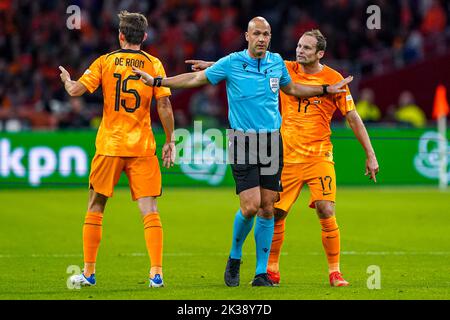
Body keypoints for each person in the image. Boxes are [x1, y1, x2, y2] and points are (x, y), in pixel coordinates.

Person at [133, 17, 352, 287]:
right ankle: (235, 256)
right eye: (257, 33)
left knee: (268, 208)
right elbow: (195, 79)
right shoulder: (232, 62)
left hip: (272, 142)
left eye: (267, 34)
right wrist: (158, 81)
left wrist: (326, 89)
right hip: (242, 142)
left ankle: (261, 273)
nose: (262, 38)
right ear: (247, 36)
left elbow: (293, 88)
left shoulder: (275, 63)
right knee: (250, 207)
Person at [58, 11, 175, 288]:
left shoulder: (105, 62)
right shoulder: (154, 64)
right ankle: (156, 274)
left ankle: (88, 273)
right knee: (150, 209)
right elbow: (165, 105)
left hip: (110, 145)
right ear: (144, 37)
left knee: (96, 205)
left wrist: (66, 80)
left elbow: (76, 91)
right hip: (142, 146)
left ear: (120, 35)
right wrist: (170, 140)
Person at [267, 30, 379, 286]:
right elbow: (248, 63)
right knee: (276, 214)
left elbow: (352, 117)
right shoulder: (284, 68)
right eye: (298, 46)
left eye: (306, 48)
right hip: (288, 157)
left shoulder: (334, 79)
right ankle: (272, 269)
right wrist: (214, 68)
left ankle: (335, 272)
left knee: (326, 208)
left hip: (319, 155)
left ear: (320, 53)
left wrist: (370, 154)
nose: (299, 51)